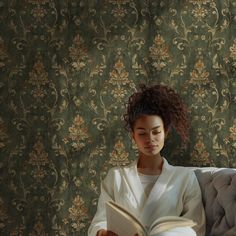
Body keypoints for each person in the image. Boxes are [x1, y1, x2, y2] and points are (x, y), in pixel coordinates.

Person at [88, 84, 206, 236]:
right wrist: (103, 233)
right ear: (133, 136)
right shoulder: (116, 177)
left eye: (156, 132)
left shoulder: (185, 178)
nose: (150, 139)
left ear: (166, 132)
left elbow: (196, 227)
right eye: (142, 133)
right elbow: (100, 220)